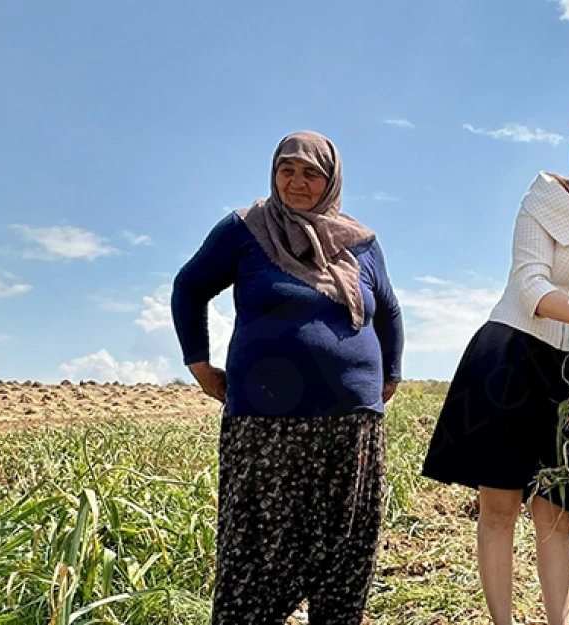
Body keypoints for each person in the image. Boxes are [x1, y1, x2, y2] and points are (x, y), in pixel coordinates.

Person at [421, 91, 569, 625]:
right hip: (512, 357)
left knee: (555, 515)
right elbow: (530, 287)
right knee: (500, 508)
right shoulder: (545, 197)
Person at [171, 131, 404, 625]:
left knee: (344, 554)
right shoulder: (246, 229)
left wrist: (389, 375)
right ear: (274, 174)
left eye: (311, 172)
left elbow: (389, 312)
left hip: (352, 425)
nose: (297, 181)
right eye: (287, 169)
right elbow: (189, 287)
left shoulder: (361, 244)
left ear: (331, 179)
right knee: (255, 556)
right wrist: (198, 364)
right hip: (264, 422)